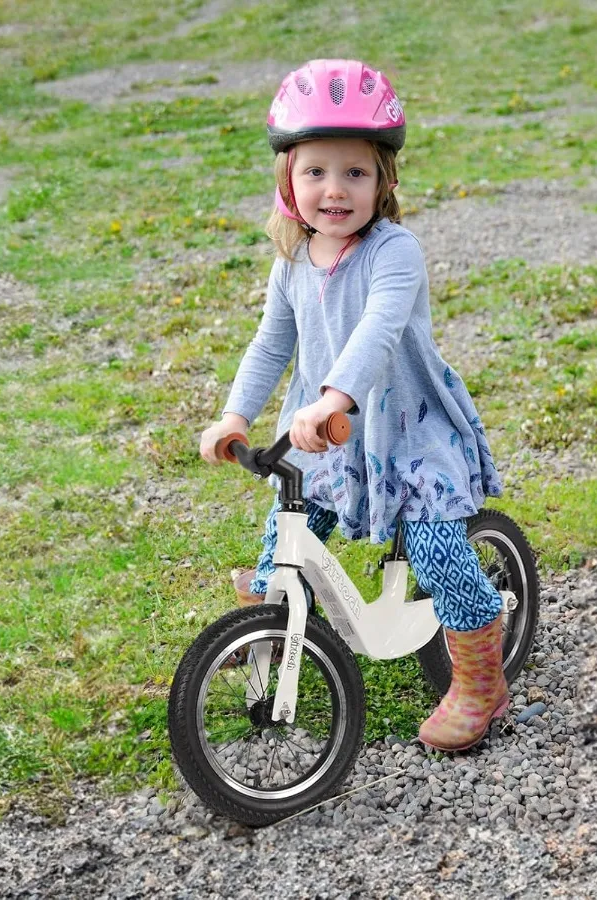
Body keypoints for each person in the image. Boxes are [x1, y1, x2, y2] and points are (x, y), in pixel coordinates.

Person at [199, 59, 507, 753]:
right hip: (328, 435)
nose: (334, 190)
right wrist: (235, 416)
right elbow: (269, 344)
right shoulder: (294, 263)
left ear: (384, 181)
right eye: (315, 173)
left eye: (355, 173)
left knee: (434, 551)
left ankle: (482, 679)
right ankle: (270, 624)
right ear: (288, 181)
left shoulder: (395, 252)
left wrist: (331, 396)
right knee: (288, 529)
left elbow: (378, 332)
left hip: (406, 430)